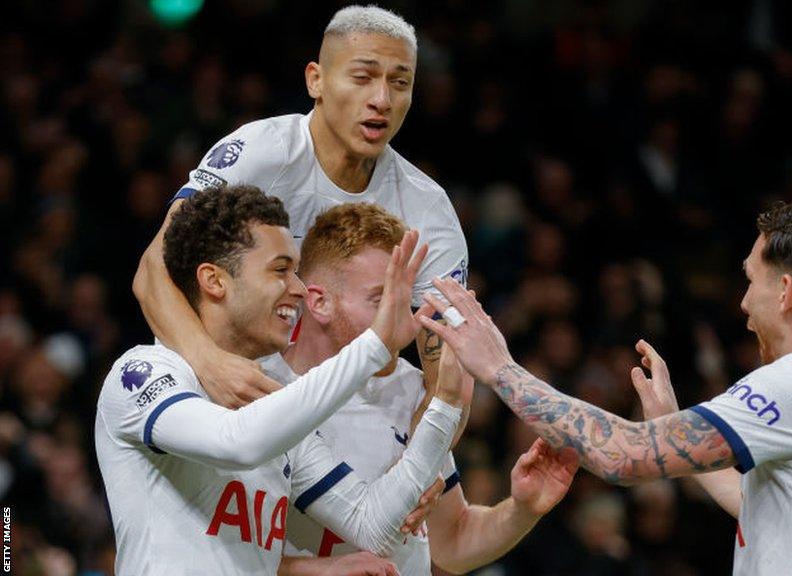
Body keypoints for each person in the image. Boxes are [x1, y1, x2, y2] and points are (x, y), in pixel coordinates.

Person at [421, 197, 792, 574]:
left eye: (751, 280)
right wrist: (674, 425)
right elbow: (790, 513)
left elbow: (622, 456)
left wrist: (499, 367)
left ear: (785, 291)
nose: (743, 304)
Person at [96, 186, 468, 575]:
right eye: (280, 270)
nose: (300, 288)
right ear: (214, 280)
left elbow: (372, 525)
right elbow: (237, 442)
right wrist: (375, 344)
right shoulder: (142, 375)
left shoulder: (271, 405)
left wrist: (446, 400)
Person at [132, 5, 467, 411]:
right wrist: (211, 364)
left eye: (400, 82)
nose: (382, 99)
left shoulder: (426, 208)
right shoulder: (259, 154)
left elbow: (450, 373)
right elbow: (154, 270)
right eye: (362, 78)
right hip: (215, 390)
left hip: (339, 413)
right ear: (317, 80)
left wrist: (418, 465)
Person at [258, 203, 578, 575]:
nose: (408, 324)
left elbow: (453, 542)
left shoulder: (408, 389)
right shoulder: (260, 392)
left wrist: (522, 509)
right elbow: (229, 551)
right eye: (381, 299)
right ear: (319, 302)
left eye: (405, 301)